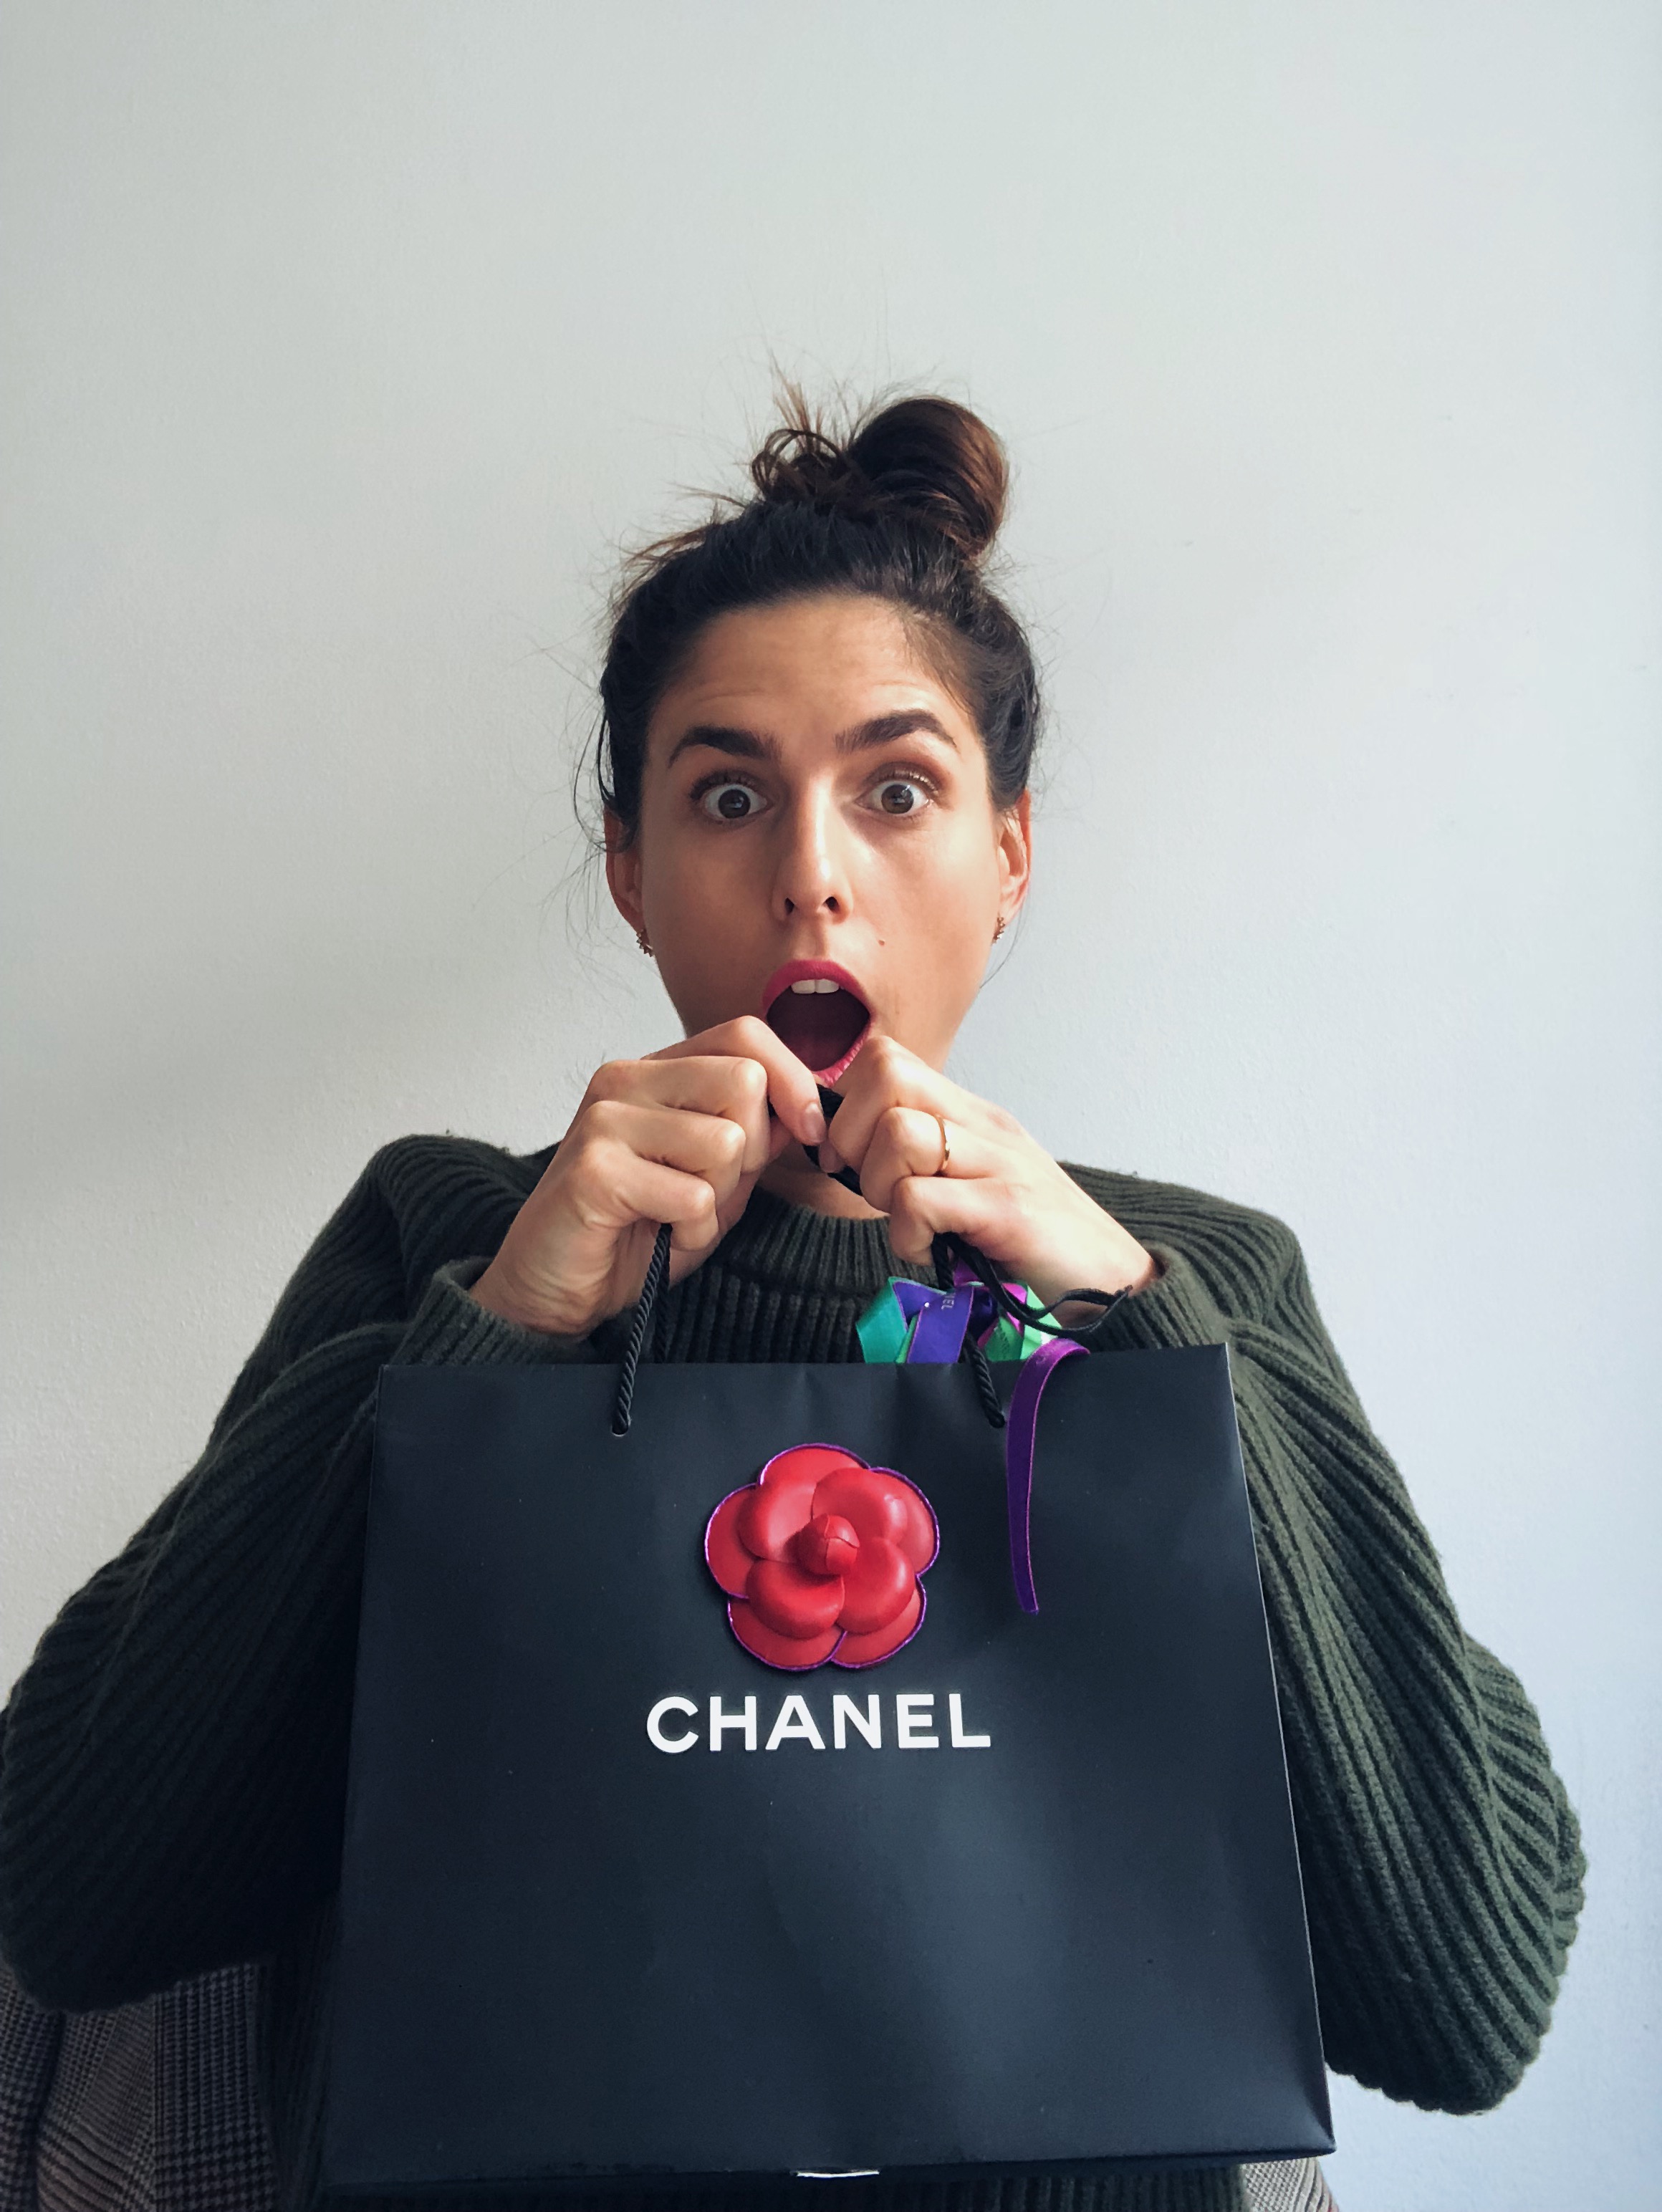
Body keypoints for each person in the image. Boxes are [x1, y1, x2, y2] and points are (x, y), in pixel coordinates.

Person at [0, 394, 1583, 2212]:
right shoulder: (447, 1238)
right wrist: (499, 1336)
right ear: (631, 871)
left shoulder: (1188, 1277)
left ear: (1007, 857)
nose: (810, 872)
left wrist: (1134, 1323)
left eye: (896, 790)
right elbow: (81, 1893)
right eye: (728, 794)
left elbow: (1463, 1995)